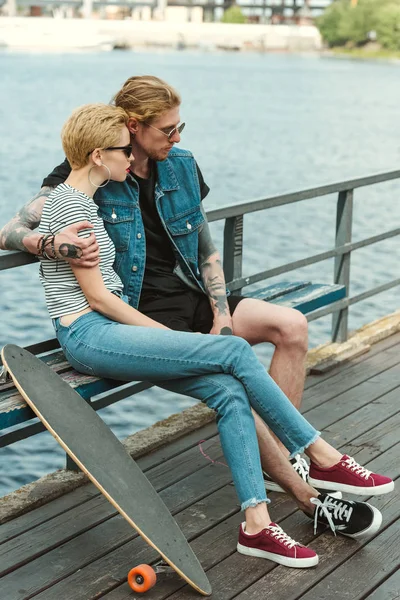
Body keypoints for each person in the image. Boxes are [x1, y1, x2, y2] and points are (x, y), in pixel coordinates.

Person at [33, 102, 392, 569]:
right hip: (89, 334)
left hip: (112, 330)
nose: (130, 159)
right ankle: (319, 453)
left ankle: (257, 525)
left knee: (227, 391)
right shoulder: (72, 207)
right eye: (123, 151)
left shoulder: (83, 200)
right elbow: (98, 300)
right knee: (232, 351)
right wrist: (165, 335)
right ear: (99, 155)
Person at [0, 76, 311, 493]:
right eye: (168, 130)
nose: (176, 137)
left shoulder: (181, 164)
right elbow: (14, 230)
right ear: (133, 126)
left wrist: (221, 314)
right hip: (139, 311)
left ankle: (282, 457)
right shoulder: (92, 168)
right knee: (231, 372)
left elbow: (205, 251)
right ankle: (291, 469)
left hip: (192, 295)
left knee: (291, 325)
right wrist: (55, 245)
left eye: (180, 127)